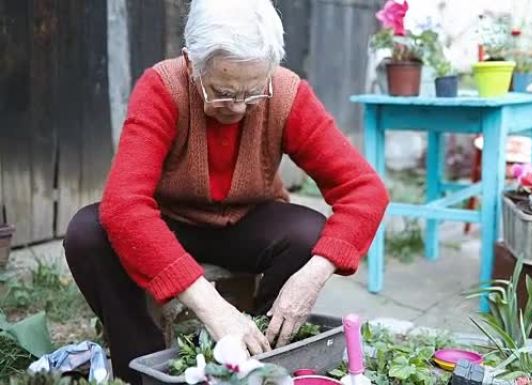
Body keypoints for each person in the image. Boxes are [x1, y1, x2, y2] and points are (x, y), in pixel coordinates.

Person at [63, 0, 389, 383]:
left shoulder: (286, 93)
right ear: (191, 64)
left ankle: (265, 350)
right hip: (170, 224)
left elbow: (365, 190)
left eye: (253, 93)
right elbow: (124, 206)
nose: (237, 107)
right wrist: (211, 305)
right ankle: (144, 363)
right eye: (222, 91)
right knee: (88, 232)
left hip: (245, 224)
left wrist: (314, 274)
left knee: (310, 235)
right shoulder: (163, 88)